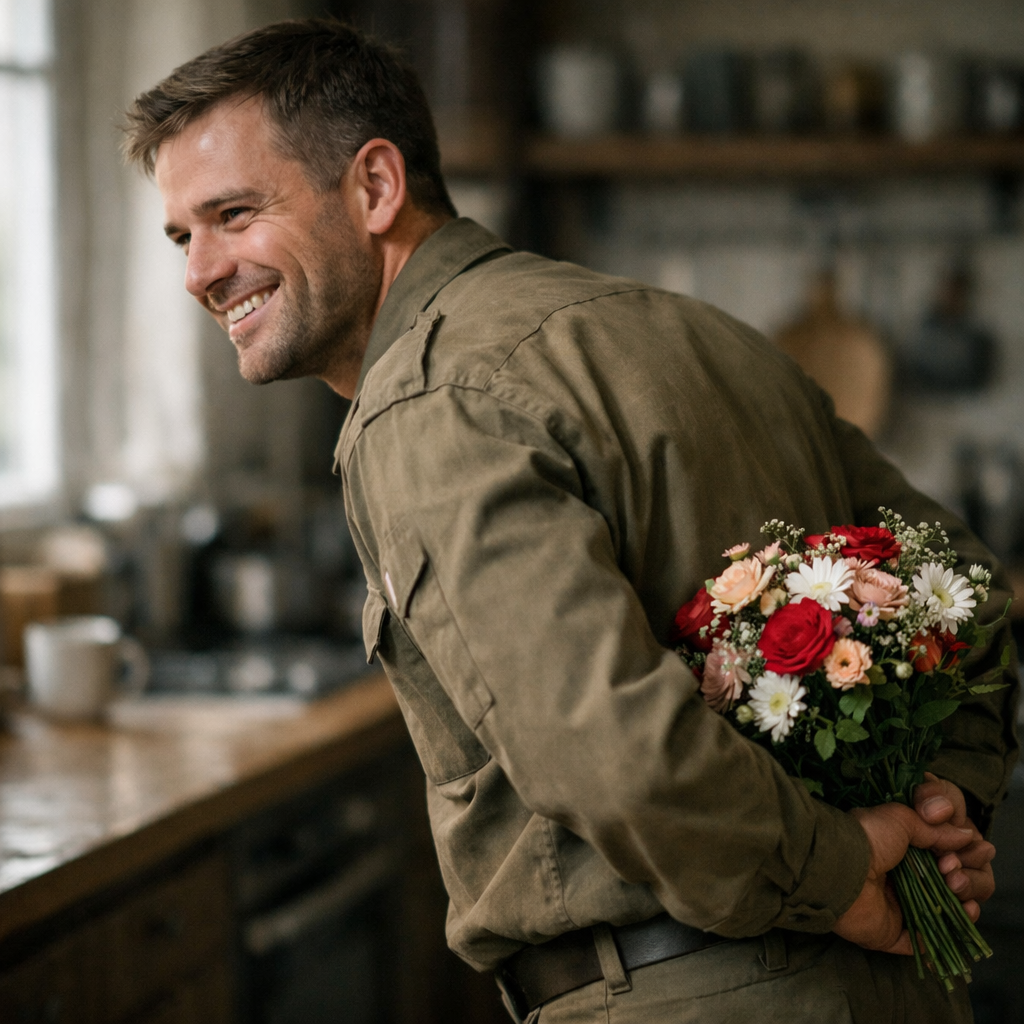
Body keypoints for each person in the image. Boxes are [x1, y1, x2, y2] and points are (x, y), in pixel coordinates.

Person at [124, 20, 1016, 1023]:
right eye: (181, 236)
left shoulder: (427, 401)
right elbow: (971, 588)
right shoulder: (706, 334)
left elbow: (613, 749)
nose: (201, 270)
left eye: (234, 214)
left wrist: (847, 873)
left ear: (375, 188)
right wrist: (945, 802)